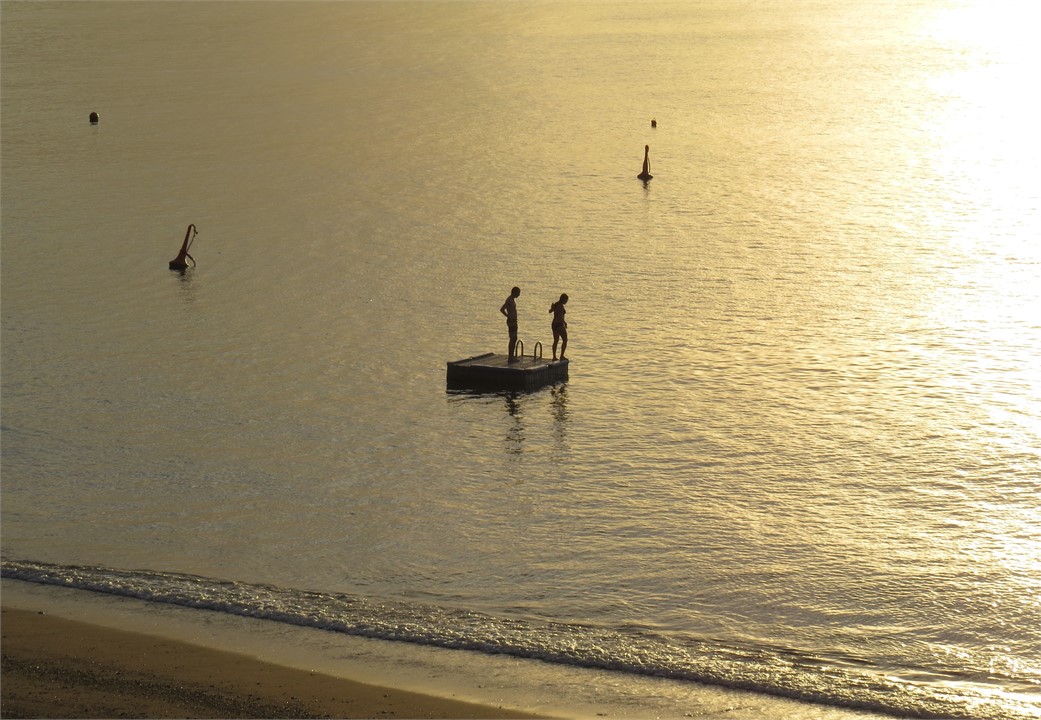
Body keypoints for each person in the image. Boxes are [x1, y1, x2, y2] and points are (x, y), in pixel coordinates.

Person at [500, 286, 521, 362]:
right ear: (514, 292)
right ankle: (510, 357)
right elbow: (502, 309)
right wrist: (508, 316)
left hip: (514, 321)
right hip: (511, 322)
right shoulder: (509, 300)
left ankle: (512, 356)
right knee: (512, 338)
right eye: (518, 293)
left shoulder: (512, 300)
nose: (519, 295)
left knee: (514, 338)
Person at [549, 293, 568, 360]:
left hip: (554, 324)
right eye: (566, 300)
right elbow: (560, 316)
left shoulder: (556, 304)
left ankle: (554, 356)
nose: (566, 301)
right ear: (563, 299)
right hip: (559, 324)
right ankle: (561, 356)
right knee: (565, 339)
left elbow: (550, 311)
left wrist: (552, 308)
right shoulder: (560, 306)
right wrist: (564, 322)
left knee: (556, 340)